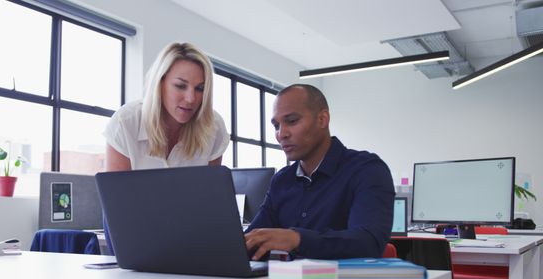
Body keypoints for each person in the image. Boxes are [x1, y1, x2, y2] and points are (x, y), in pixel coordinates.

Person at [102, 42, 230, 254]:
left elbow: (209, 205)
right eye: (180, 86)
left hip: (190, 236)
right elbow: (117, 208)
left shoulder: (213, 127)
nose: (191, 99)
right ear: (159, 83)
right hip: (133, 233)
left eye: (200, 88)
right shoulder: (126, 122)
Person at [244, 84, 394, 261]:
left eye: (292, 121)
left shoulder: (367, 170)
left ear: (322, 119)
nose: (281, 134)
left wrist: (297, 239)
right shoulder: (282, 180)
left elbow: (368, 244)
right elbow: (253, 240)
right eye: (276, 125)